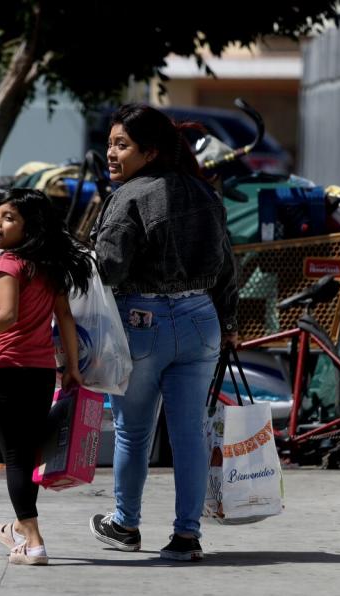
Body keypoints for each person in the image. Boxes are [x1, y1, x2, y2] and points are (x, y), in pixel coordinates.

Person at [89, 104, 239, 562]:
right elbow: (228, 266)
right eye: (111, 143)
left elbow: (109, 269)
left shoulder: (129, 196)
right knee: (190, 433)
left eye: (122, 145)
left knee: (134, 434)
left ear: (149, 152)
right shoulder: (203, 193)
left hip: (143, 327)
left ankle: (125, 524)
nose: (111, 153)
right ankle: (187, 536)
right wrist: (229, 324)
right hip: (201, 321)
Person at [0, 188, 93, 566]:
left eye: (9, 218)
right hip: (42, 373)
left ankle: (34, 540)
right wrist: (71, 368)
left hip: (8, 371)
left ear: (30, 228)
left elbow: (7, 315)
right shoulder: (48, 266)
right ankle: (20, 531)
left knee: (16, 458)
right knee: (27, 454)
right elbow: (66, 319)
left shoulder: (9, 264)